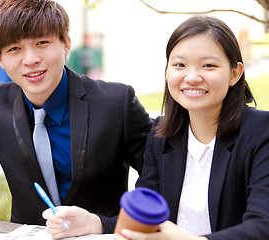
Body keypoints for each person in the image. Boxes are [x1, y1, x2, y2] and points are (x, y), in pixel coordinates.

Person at [0, 0, 152, 236]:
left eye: (42, 42)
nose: (30, 59)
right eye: (14, 49)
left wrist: (105, 224)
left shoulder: (116, 103)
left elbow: (161, 179)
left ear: (65, 44)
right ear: (0, 59)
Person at [43, 16, 269, 240]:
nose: (191, 77)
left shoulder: (261, 132)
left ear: (235, 73)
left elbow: (262, 226)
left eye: (208, 65)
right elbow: (144, 216)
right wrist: (96, 222)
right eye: (179, 65)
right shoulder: (162, 135)